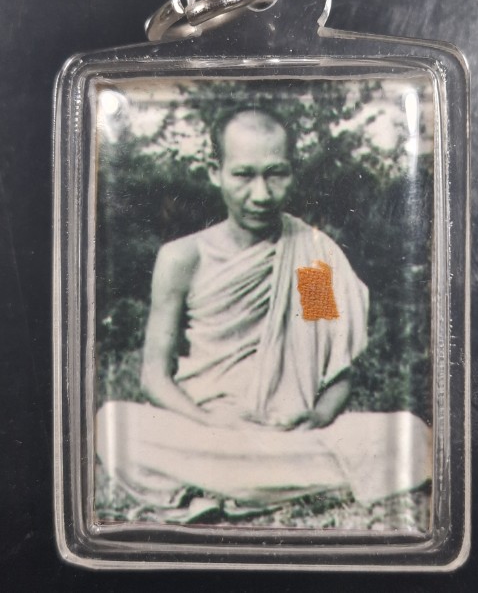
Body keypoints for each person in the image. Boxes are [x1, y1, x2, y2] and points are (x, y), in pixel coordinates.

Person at [96, 108, 431, 520]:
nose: (261, 194)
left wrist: (319, 416)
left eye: (276, 174)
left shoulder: (309, 260)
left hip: (289, 435)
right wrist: (213, 425)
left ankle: (220, 488)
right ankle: (281, 484)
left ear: (292, 172)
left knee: (410, 435)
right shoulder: (184, 258)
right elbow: (154, 378)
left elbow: (336, 375)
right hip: (206, 430)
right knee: (112, 424)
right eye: (243, 175)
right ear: (215, 172)